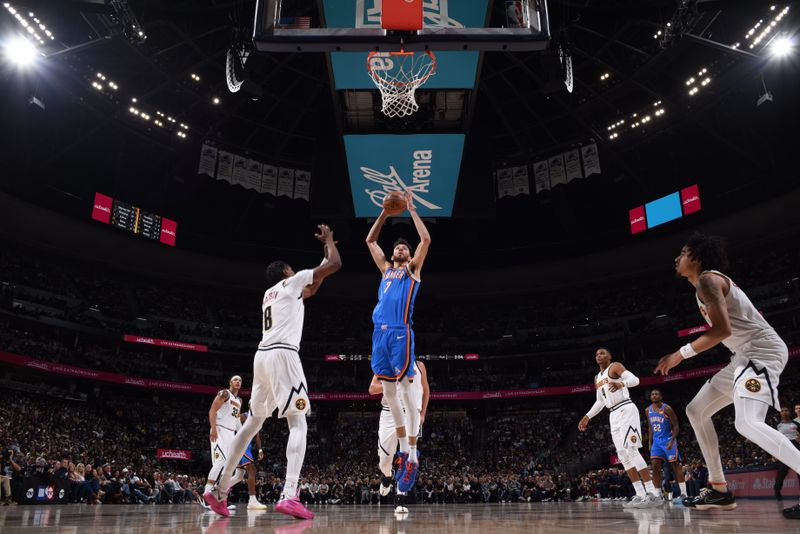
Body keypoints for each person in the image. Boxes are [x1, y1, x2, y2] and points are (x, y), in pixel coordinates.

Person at [654, 233, 799, 517]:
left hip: (761, 352)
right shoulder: (702, 285)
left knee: (746, 422)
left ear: (696, 257)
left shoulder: (708, 280)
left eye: (682, 252)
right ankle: (719, 489)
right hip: (744, 356)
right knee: (695, 410)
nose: (676, 258)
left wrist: (679, 354)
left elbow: (721, 331)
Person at [205, 224, 341, 519]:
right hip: (283, 355)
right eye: (293, 271)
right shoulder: (290, 283)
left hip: (262, 357)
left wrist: (317, 272)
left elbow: (312, 288)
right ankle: (290, 494)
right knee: (298, 421)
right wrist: (329, 242)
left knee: (253, 423)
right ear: (286, 273)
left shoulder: (271, 293)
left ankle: (219, 488)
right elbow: (334, 265)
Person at [365, 192, 431, 494]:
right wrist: (384, 215)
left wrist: (413, 211)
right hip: (379, 332)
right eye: (399, 247)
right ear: (393, 254)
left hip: (400, 332)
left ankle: (411, 455)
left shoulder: (411, 271)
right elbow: (370, 242)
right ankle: (405, 452)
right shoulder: (385, 270)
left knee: (406, 390)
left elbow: (426, 241)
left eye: (405, 247)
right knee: (389, 390)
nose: (402, 248)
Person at [579, 347, 661, 508]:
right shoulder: (597, 377)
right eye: (596, 354)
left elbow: (635, 380)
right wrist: (587, 416)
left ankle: (653, 493)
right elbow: (600, 402)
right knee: (623, 455)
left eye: (602, 353)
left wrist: (621, 383)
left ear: (609, 356)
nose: (599, 355)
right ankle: (640, 494)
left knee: (631, 450)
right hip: (613, 414)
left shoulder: (615, 367)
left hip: (626, 409)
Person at [368, 360, 430, 513]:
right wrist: (395, 380)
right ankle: (388, 475)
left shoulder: (419, 365)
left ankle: (400, 500)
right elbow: (372, 389)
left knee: (408, 456)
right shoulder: (385, 363)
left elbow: (425, 389)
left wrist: (422, 414)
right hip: (389, 413)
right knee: (384, 460)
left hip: (411, 413)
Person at [202, 375, 247, 507]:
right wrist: (213, 428)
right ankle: (207, 496)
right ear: (230, 382)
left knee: (228, 467)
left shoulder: (239, 400)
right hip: (220, 430)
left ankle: (218, 497)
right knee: (219, 461)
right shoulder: (224, 393)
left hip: (231, 433)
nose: (238, 381)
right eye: (235, 380)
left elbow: (237, 420)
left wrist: (243, 434)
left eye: (240, 380)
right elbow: (212, 410)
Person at [647, 389, 687, 501]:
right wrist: (650, 443)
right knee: (655, 467)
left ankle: (684, 493)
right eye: (652, 394)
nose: (654, 396)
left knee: (675, 466)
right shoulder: (648, 410)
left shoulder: (667, 408)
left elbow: (676, 426)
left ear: (661, 396)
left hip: (668, 440)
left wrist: (672, 440)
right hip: (656, 442)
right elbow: (650, 427)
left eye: (656, 394)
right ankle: (658, 494)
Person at [774, 407, 800, 500]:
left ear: (789, 412)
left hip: (796, 447)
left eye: (786, 410)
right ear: (780, 413)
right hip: (784, 450)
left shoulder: (796, 424)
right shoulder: (777, 426)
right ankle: (777, 491)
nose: (785, 412)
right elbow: (775, 440)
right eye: (783, 411)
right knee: (782, 472)